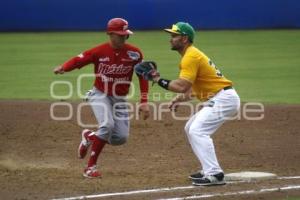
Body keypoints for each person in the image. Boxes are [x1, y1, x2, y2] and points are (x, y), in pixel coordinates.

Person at [53, 18, 150, 178]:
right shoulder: (99, 51)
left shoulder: (135, 53)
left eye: (125, 34)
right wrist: (64, 67)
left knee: (120, 138)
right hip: (100, 94)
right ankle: (90, 168)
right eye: (120, 35)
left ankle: (89, 136)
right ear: (110, 34)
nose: (123, 37)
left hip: (119, 98)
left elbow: (143, 76)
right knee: (107, 125)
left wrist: (144, 101)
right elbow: (80, 59)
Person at [152, 22, 240, 186]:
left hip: (224, 99)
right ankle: (208, 169)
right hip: (221, 97)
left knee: (198, 130)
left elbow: (181, 86)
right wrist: (179, 98)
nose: (170, 39)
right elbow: (193, 89)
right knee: (190, 128)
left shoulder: (190, 56)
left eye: (174, 36)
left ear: (184, 39)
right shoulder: (190, 55)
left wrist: (157, 79)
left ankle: (214, 174)